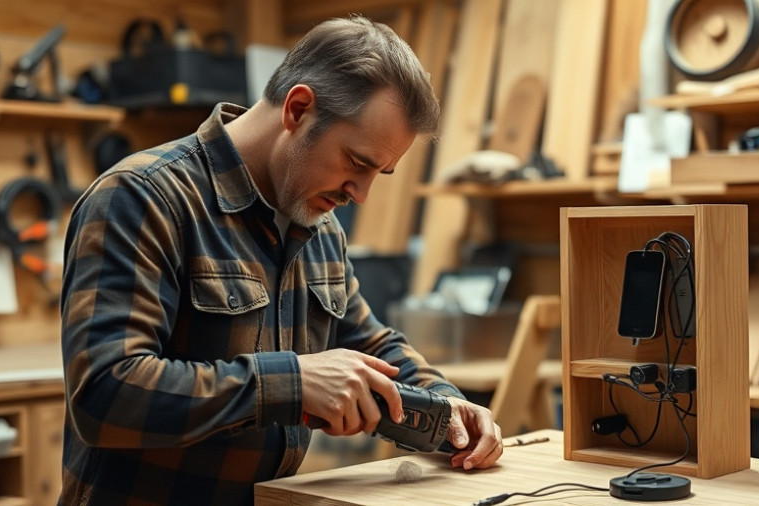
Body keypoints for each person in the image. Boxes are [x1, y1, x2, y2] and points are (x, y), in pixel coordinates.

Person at [59, 15, 502, 505]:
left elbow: (369, 342)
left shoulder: (316, 221)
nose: (362, 194)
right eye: (357, 162)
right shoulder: (143, 198)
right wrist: (292, 382)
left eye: (382, 172)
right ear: (298, 109)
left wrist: (448, 405)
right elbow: (105, 396)